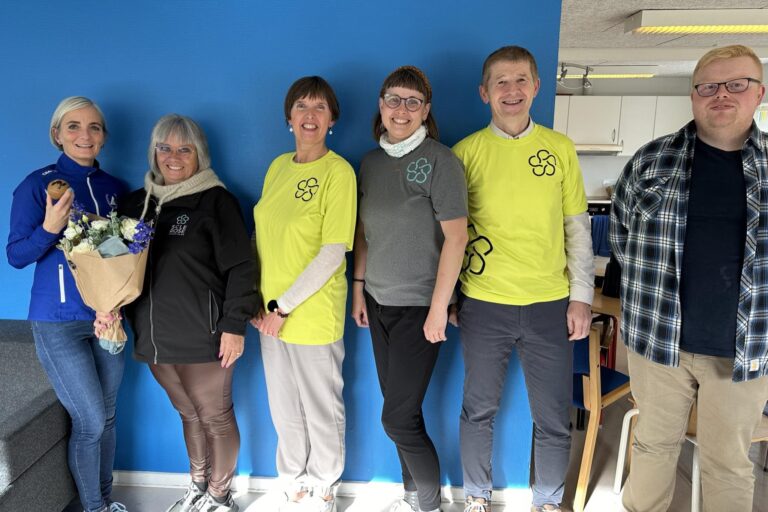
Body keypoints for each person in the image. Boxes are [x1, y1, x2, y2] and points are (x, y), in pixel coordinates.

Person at [609, 44, 768, 512]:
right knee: (652, 447)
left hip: (745, 348)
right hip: (660, 341)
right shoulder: (650, 161)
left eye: (736, 84)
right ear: (694, 95)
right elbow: (620, 236)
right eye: (708, 86)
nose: (722, 95)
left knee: (728, 463)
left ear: (758, 93)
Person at [452, 46, 594, 512]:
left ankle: (548, 501)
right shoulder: (465, 153)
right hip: (482, 302)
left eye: (520, 80)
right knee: (478, 410)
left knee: (552, 416)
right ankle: (476, 497)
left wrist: (582, 297)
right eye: (501, 82)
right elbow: (450, 235)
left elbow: (577, 228)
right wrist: (450, 297)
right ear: (484, 92)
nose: (511, 90)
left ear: (536, 87)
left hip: (550, 303)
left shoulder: (560, 148)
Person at [112, 114, 256, 512]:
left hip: (205, 335)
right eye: (165, 148)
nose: (173, 157)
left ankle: (220, 496)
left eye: (184, 149)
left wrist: (234, 325)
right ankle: (198, 486)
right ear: (154, 152)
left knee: (215, 417)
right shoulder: (135, 204)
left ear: (199, 155)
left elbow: (242, 267)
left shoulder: (216, 201)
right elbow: (115, 266)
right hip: (153, 337)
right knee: (188, 414)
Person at [351, 65, 468, 512]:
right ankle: (412, 496)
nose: (402, 110)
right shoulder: (370, 163)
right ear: (381, 105)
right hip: (378, 301)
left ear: (426, 110)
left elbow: (456, 238)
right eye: (394, 100)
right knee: (403, 411)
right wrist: (359, 289)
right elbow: (364, 233)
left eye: (413, 102)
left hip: (420, 308)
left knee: (397, 419)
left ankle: (430, 505)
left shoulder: (441, 161)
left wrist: (439, 308)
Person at [6, 96, 128, 512]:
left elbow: (120, 258)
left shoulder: (115, 189)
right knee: (90, 420)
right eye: (73, 126)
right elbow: (16, 256)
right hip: (57, 321)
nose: (84, 135)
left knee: (107, 416)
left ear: (104, 136)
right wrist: (49, 227)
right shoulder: (36, 185)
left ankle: (106, 501)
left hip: (108, 320)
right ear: (57, 134)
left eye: (94, 127)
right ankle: (93, 507)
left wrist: (115, 302)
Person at [252, 76, 356, 512]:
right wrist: (258, 303)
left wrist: (282, 308)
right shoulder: (278, 167)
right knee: (284, 407)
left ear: (332, 119)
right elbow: (262, 239)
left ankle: (324, 486)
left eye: (319, 107)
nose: (309, 115)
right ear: (288, 117)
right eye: (301, 106)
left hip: (310, 316)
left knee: (320, 408)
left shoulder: (339, 172)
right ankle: (292, 480)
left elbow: (332, 252)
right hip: (268, 316)